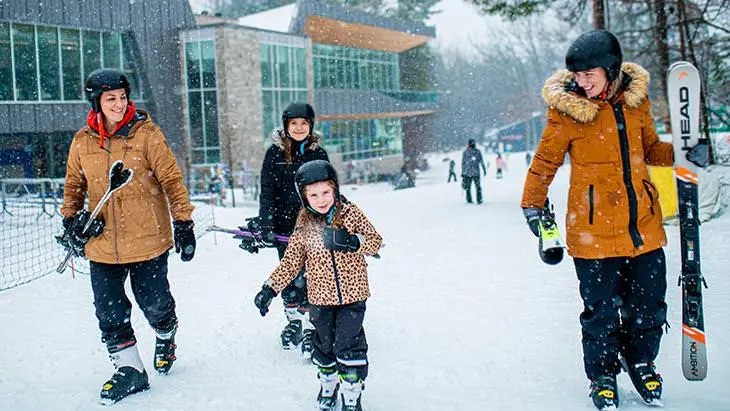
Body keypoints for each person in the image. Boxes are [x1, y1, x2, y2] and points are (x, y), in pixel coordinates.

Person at [520, 30, 708, 410]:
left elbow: (652, 149)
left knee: (650, 306)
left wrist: (685, 153)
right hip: (592, 230)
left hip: (643, 226)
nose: (582, 81)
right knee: (601, 311)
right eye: (577, 75)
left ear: (611, 69)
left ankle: (641, 360)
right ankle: (602, 375)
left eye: (590, 73)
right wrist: (532, 205)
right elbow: (545, 163)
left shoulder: (636, 104)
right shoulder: (567, 111)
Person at [58, 69, 196, 404]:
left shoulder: (146, 135)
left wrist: (184, 222)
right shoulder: (82, 141)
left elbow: (172, 180)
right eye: (111, 99)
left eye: (122, 97)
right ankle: (131, 370)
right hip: (102, 243)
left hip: (148, 239)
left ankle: (166, 333)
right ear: (97, 102)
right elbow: (74, 187)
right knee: (109, 310)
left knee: (155, 303)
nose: (119, 104)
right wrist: (70, 221)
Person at [253, 160, 382, 411]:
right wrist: (269, 288)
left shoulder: (351, 213)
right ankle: (328, 383)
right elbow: (290, 262)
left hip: (353, 298)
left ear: (335, 189)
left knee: (349, 346)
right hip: (320, 299)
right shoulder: (304, 224)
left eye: (326, 192)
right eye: (313, 194)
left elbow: (376, 242)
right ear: (304, 197)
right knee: (324, 347)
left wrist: (354, 242)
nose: (321, 199)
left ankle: (352, 393)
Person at [251, 102, 329, 358]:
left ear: (311, 126)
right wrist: (266, 223)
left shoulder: (319, 154)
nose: (298, 128)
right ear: (286, 126)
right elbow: (268, 191)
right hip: (285, 227)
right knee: (290, 277)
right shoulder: (274, 155)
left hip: (314, 227)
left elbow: (330, 192)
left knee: (312, 278)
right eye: (293, 123)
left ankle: (310, 328)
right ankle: (293, 320)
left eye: (303, 123)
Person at [461, 139, 487, 204]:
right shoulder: (477, 151)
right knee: (478, 187)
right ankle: (479, 199)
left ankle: (469, 200)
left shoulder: (465, 152)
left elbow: (463, 163)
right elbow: (481, 161)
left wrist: (463, 172)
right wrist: (484, 170)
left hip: (467, 172)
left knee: (468, 187)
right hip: (476, 172)